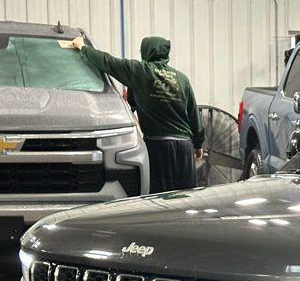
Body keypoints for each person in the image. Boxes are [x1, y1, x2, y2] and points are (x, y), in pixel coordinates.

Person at [66, 35, 204, 192]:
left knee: (160, 198)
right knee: (185, 197)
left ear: (147, 51)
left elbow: (107, 62)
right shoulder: (182, 79)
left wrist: (83, 48)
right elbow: (194, 113)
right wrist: (198, 143)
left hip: (157, 146)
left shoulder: (140, 71)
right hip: (184, 146)